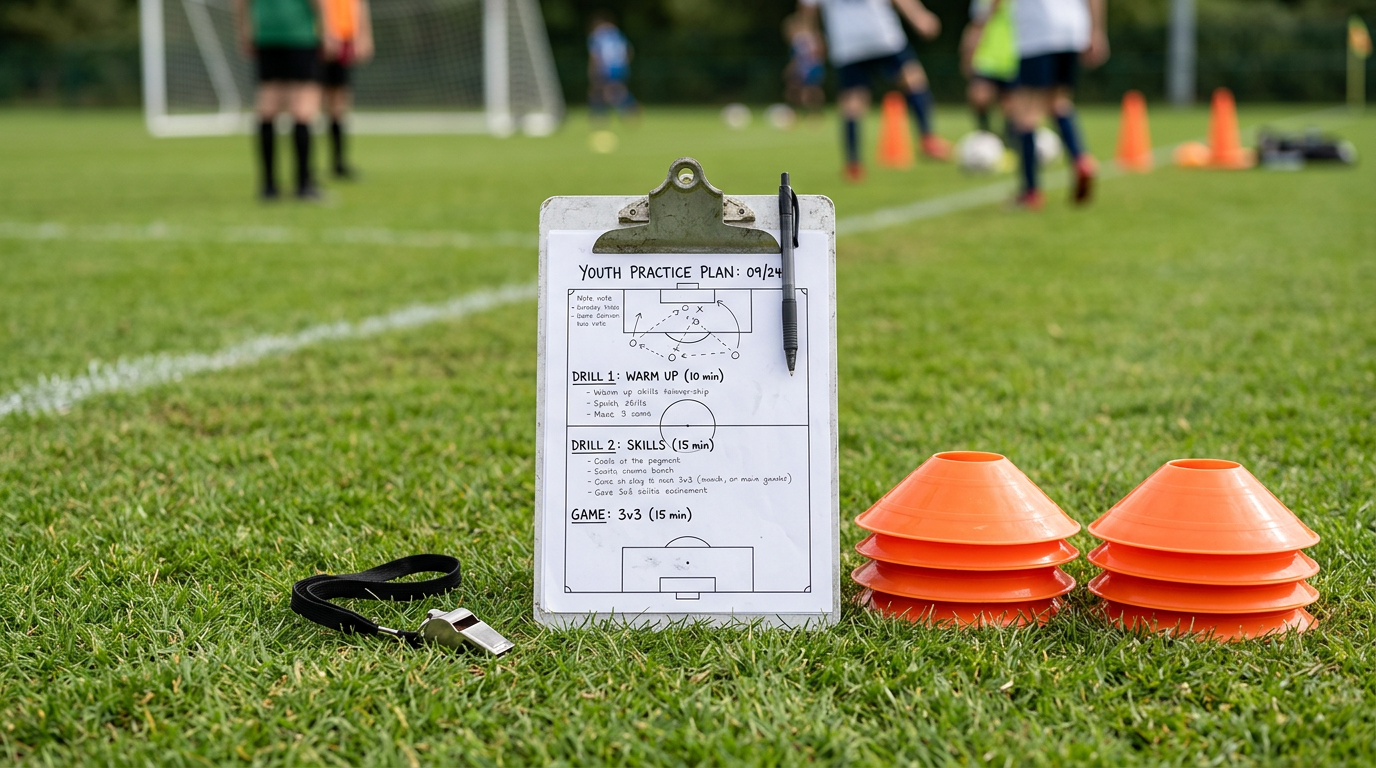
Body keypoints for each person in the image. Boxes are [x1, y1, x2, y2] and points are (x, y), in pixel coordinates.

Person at [797, 0, 952, 183]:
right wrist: (919, 16)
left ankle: (853, 165)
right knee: (913, 80)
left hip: (847, 42)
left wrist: (811, 39)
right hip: (881, 34)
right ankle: (928, 138)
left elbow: (808, 10)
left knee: (852, 103)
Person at [975, 0, 1107, 209]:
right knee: (1059, 102)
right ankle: (1081, 159)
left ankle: (1031, 191)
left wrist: (980, 27)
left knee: (1025, 113)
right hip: (1073, 32)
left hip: (1037, 33)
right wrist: (1096, 30)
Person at [235, 0, 336, 200]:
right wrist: (328, 32)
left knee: (267, 106)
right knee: (303, 108)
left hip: (265, 35)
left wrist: (244, 30)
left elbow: (239, 3)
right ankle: (303, 185)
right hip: (300, 35)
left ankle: (269, 186)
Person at [320, 0, 373, 179]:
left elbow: (359, 4)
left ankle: (338, 162)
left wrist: (364, 35)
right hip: (316, 38)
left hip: (344, 37)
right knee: (310, 100)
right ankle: (305, 168)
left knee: (339, 102)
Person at [961, 0, 1017, 143]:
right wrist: (968, 54)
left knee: (1012, 108)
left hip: (1015, 59)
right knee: (979, 97)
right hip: (987, 59)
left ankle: (1010, 139)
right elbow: (976, 25)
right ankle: (985, 134)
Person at [587, 11, 638, 122]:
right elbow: (629, 50)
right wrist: (624, 63)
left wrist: (592, 69)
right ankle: (602, 116)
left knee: (606, 92)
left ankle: (601, 117)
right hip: (620, 67)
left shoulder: (597, 34)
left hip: (605, 68)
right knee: (611, 91)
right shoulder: (617, 33)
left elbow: (595, 55)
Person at [783, 13, 826, 119]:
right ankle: (800, 113)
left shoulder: (805, 40)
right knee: (795, 90)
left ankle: (813, 113)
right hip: (802, 69)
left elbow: (819, 52)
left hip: (811, 68)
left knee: (810, 91)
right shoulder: (799, 41)